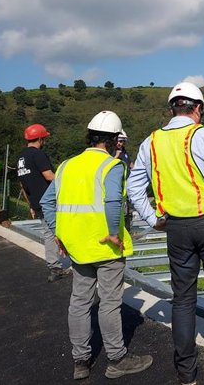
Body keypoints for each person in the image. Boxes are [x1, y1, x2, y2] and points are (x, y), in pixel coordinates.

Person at [127, 81, 204, 385]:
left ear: (172, 109)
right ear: (197, 109)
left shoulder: (151, 142)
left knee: (182, 300)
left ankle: (186, 372)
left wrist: (154, 219)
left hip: (176, 228)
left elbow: (134, 187)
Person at [40, 110, 153, 381]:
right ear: (114, 139)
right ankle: (116, 359)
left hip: (76, 247)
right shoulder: (112, 166)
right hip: (105, 247)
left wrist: (58, 234)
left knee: (79, 302)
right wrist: (114, 232)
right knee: (109, 303)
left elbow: (46, 203)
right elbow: (113, 202)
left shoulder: (67, 165)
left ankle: (81, 362)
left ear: (90, 137)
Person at [17, 123, 70, 283]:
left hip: (36, 202)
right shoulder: (37, 154)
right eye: (44, 138)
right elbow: (49, 176)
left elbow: (23, 184)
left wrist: (31, 205)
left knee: (49, 233)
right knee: (57, 231)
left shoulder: (21, 158)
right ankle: (57, 266)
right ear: (40, 139)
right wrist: (69, 182)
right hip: (50, 201)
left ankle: (55, 266)